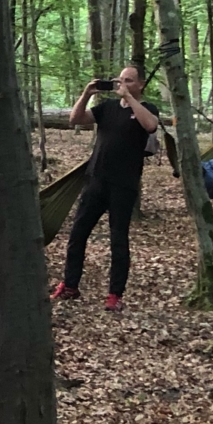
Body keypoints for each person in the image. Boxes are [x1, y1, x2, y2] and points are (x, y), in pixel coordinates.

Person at [52, 63, 159, 310]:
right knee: (78, 234)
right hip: (95, 181)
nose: (122, 84)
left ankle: (114, 295)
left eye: (129, 80)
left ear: (141, 84)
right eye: (120, 79)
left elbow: (151, 126)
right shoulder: (107, 108)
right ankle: (70, 285)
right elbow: (75, 119)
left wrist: (130, 98)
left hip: (124, 185)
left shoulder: (145, 108)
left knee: (118, 240)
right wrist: (87, 94)